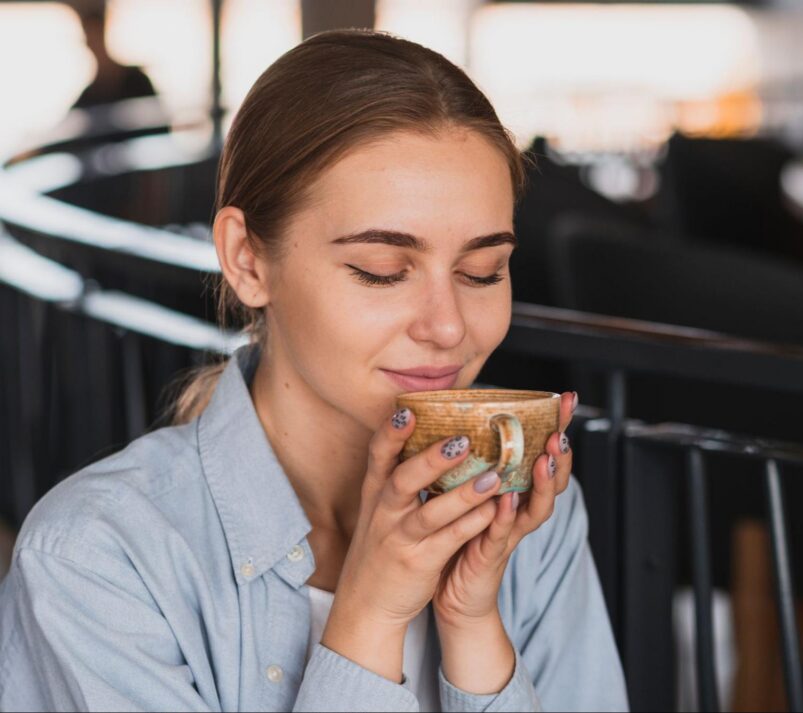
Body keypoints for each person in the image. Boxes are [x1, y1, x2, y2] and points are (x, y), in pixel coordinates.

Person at [0, 30, 628, 712]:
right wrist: (371, 615)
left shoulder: (529, 519)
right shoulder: (96, 557)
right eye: (382, 271)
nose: (448, 327)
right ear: (246, 259)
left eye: (483, 271)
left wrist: (474, 629)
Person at [73, 6, 157, 110]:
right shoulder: (89, 96)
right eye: (90, 35)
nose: (94, 42)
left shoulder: (137, 80)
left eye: (96, 34)